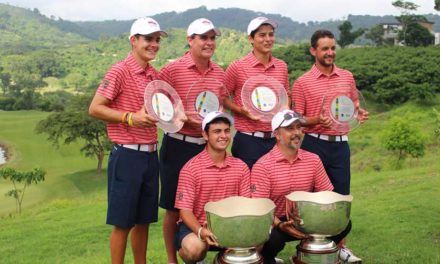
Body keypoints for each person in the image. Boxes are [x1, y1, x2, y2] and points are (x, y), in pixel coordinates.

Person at [88, 17, 167, 264]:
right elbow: (95, 108)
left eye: (156, 39)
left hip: (150, 155)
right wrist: (129, 118)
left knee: (143, 220)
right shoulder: (119, 70)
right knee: (123, 222)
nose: (153, 44)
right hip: (127, 155)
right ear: (133, 41)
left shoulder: (154, 74)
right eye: (148, 39)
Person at [292, 30, 367, 262]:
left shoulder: (347, 77)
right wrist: (316, 120)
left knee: (341, 197)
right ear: (313, 51)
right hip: (314, 145)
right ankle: (311, 248)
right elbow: (297, 118)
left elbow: (352, 106)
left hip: (340, 146)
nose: (330, 52)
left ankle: (340, 247)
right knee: (314, 199)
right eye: (325, 48)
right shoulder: (302, 82)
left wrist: (358, 113)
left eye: (333, 48)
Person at [157, 18, 226, 264]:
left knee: (205, 203)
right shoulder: (173, 69)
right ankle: (171, 259)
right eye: (203, 37)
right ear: (190, 40)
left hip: (207, 147)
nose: (209, 42)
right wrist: (179, 118)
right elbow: (158, 107)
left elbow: (221, 104)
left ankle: (203, 246)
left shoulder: (219, 73)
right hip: (178, 144)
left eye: (212, 38)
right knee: (173, 207)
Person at [250, 110, 356, 264]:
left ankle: (307, 254)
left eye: (299, 127)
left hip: (305, 219)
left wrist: (331, 211)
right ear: (277, 134)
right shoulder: (263, 165)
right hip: (276, 222)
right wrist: (280, 225)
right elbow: (260, 207)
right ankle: (268, 259)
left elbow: (326, 194)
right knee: (273, 239)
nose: (297, 133)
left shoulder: (313, 159)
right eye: (290, 128)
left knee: (344, 223)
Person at [174, 111, 251, 264]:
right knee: (194, 249)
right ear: (205, 135)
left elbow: (245, 205)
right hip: (196, 226)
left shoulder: (241, 167)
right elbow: (185, 211)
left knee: (259, 240)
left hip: (231, 225)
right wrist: (201, 231)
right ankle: (198, 260)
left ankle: (222, 260)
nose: (223, 135)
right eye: (217, 131)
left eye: (226, 130)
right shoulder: (191, 168)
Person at [224, 17, 290, 169]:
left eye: (271, 34)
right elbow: (223, 97)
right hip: (248, 141)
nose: (268, 39)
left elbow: (286, 95)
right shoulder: (237, 67)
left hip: (276, 140)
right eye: (262, 35)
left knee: (276, 188)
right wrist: (241, 111)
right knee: (249, 191)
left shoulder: (281, 66)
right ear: (251, 39)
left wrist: (285, 108)